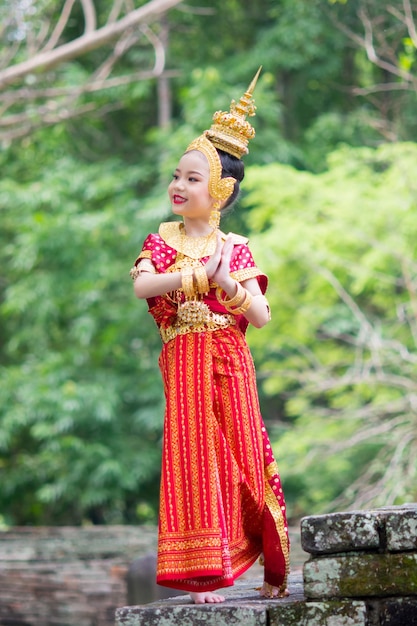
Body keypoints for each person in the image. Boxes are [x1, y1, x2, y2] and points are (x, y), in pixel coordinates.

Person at [130, 68, 290, 604]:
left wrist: (228, 283)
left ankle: (269, 562)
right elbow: (143, 286)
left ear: (221, 190)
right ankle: (204, 578)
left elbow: (263, 315)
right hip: (183, 358)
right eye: (177, 175)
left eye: (192, 178)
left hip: (227, 353)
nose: (178, 185)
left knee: (244, 454)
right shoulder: (162, 240)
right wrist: (201, 276)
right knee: (195, 458)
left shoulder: (236, 246)